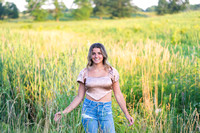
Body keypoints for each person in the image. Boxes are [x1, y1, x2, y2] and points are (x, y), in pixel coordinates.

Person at [54, 43, 134, 133]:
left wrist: (127, 114)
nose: (96, 56)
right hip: (89, 109)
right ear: (90, 55)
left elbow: (118, 94)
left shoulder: (112, 72)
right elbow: (79, 97)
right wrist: (64, 112)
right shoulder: (84, 72)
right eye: (93, 53)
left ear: (103, 55)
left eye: (99, 53)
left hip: (105, 109)